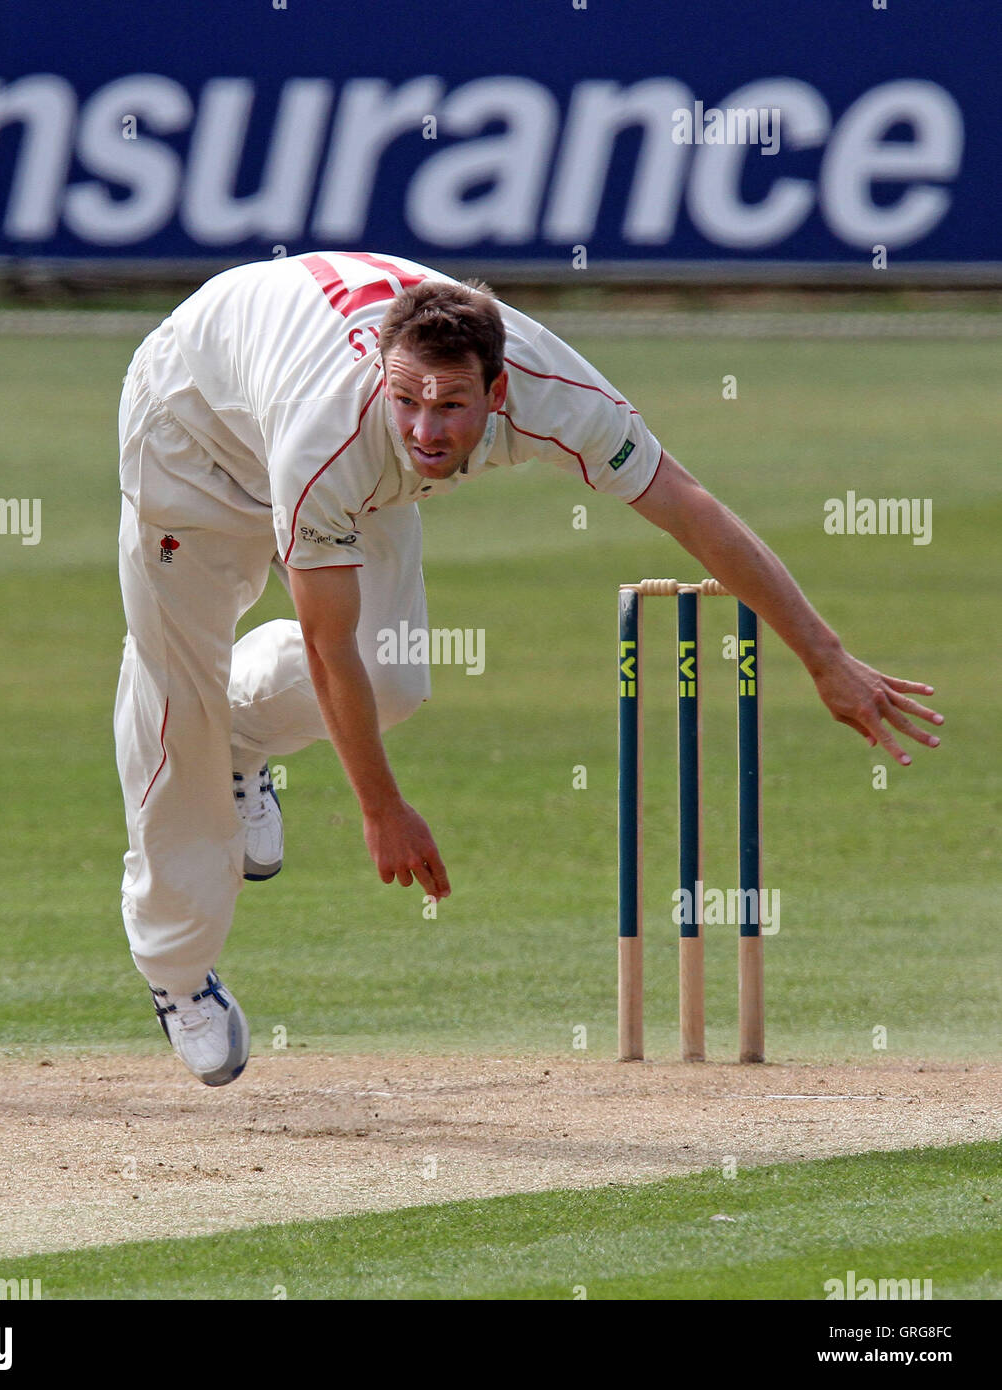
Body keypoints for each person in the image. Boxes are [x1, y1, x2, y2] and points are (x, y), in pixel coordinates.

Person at [114, 250, 943, 1087]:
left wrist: (823, 656)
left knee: (392, 680)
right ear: (378, 375)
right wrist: (382, 807)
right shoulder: (334, 434)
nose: (427, 432)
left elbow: (687, 509)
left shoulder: (556, 393)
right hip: (193, 438)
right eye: (407, 401)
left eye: (450, 406)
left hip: (346, 457)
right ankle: (177, 972)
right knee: (179, 708)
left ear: (499, 391)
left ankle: (242, 738)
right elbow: (327, 649)